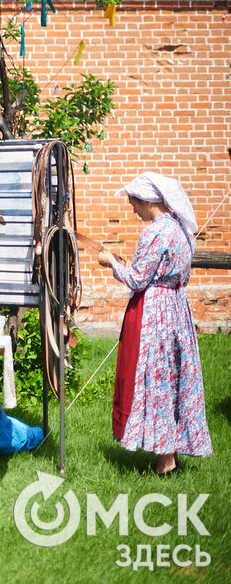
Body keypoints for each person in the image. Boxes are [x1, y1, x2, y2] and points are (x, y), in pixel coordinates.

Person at [97, 172, 212, 476]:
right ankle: (169, 456)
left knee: (157, 381)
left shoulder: (154, 232)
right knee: (174, 380)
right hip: (176, 308)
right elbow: (179, 275)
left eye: (134, 201)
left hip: (155, 314)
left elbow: (137, 279)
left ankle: (165, 462)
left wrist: (112, 263)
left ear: (149, 201)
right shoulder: (180, 229)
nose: (132, 207)